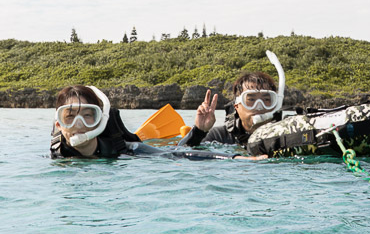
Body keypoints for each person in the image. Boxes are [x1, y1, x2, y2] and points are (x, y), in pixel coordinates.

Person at [50, 84, 260, 161]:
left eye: (88, 115)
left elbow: (177, 154)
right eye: (69, 116)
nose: (79, 124)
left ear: (101, 121)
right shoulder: (57, 158)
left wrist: (237, 158)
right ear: (59, 125)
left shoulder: (126, 151)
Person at [182, 50, 285, 148]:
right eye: (251, 100)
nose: (259, 107)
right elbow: (180, 154)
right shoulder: (220, 136)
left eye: (266, 100)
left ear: (276, 104)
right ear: (237, 106)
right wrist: (199, 130)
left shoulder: (284, 135)